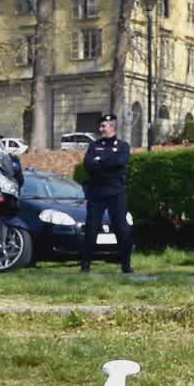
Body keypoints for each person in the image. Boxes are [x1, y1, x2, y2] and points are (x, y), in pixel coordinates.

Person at [79, 112, 132, 273]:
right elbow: (88, 164)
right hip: (97, 193)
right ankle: (85, 266)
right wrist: (107, 161)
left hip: (116, 193)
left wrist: (100, 160)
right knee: (91, 228)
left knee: (121, 228)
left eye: (104, 126)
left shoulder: (123, 146)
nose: (100, 129)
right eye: (101, 126)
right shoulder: (94, 145)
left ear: (112, 127)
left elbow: (120, 162)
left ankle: (126, 265)